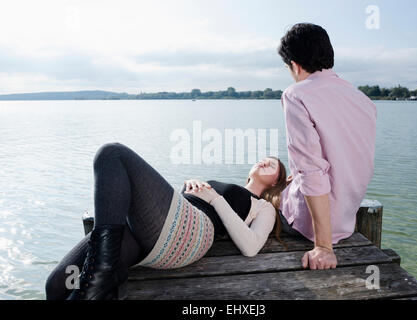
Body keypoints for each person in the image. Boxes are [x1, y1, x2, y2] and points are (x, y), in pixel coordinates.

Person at [45, 142, 287, 300]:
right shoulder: (222, 184)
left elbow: (251, 246)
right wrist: (187, 190)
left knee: (112, 154)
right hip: (153, 232)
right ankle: (103, 278)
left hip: (194, 233)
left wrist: (215, 199)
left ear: (276, 181)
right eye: (263, 158)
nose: (265, 161)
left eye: (273, 163)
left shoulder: (263, 207)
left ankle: (101, 273)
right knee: (58, 285)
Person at [277, 23, 377, 270]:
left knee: (263, 192)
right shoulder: (362, 100)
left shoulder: (296, 95)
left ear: (295, 65)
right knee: (287, 178)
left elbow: (312, 172)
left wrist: (323, 247)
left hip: (309, 227)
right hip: (346, 221)